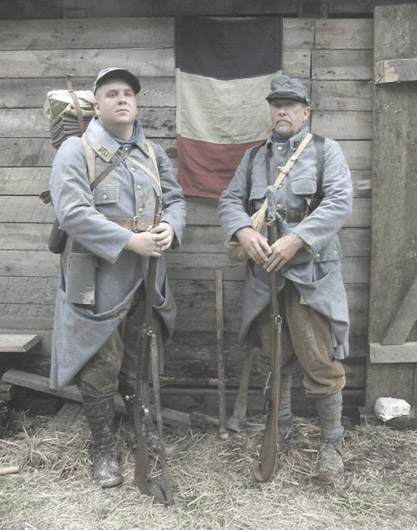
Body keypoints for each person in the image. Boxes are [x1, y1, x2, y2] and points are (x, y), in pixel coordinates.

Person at [49, 67, 186, 488]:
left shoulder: (152, 152)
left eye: (128, 93)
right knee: (100, 363)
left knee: (139, 356)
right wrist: (131, 241)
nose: (122, 99)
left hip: (147, 275)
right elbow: (73, 214)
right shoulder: (77, 150)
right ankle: (104, 448)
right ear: (97, 104)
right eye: (112, 93)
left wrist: (171, 228)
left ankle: (141, 431)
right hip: (99, 274)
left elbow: (177, 199)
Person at [218, 75, 352, 479]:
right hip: (265, 276)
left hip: (311, 273)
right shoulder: (254, 158)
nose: (282, 111)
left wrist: (296, 239)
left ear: (305, 112)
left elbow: (340, 202)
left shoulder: (326, 151)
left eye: (291, 105)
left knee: (318, 357)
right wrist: (243, 231)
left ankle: (332, 441)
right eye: (276, 104)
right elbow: (229, 201)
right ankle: (283, 427)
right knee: (273, 356)